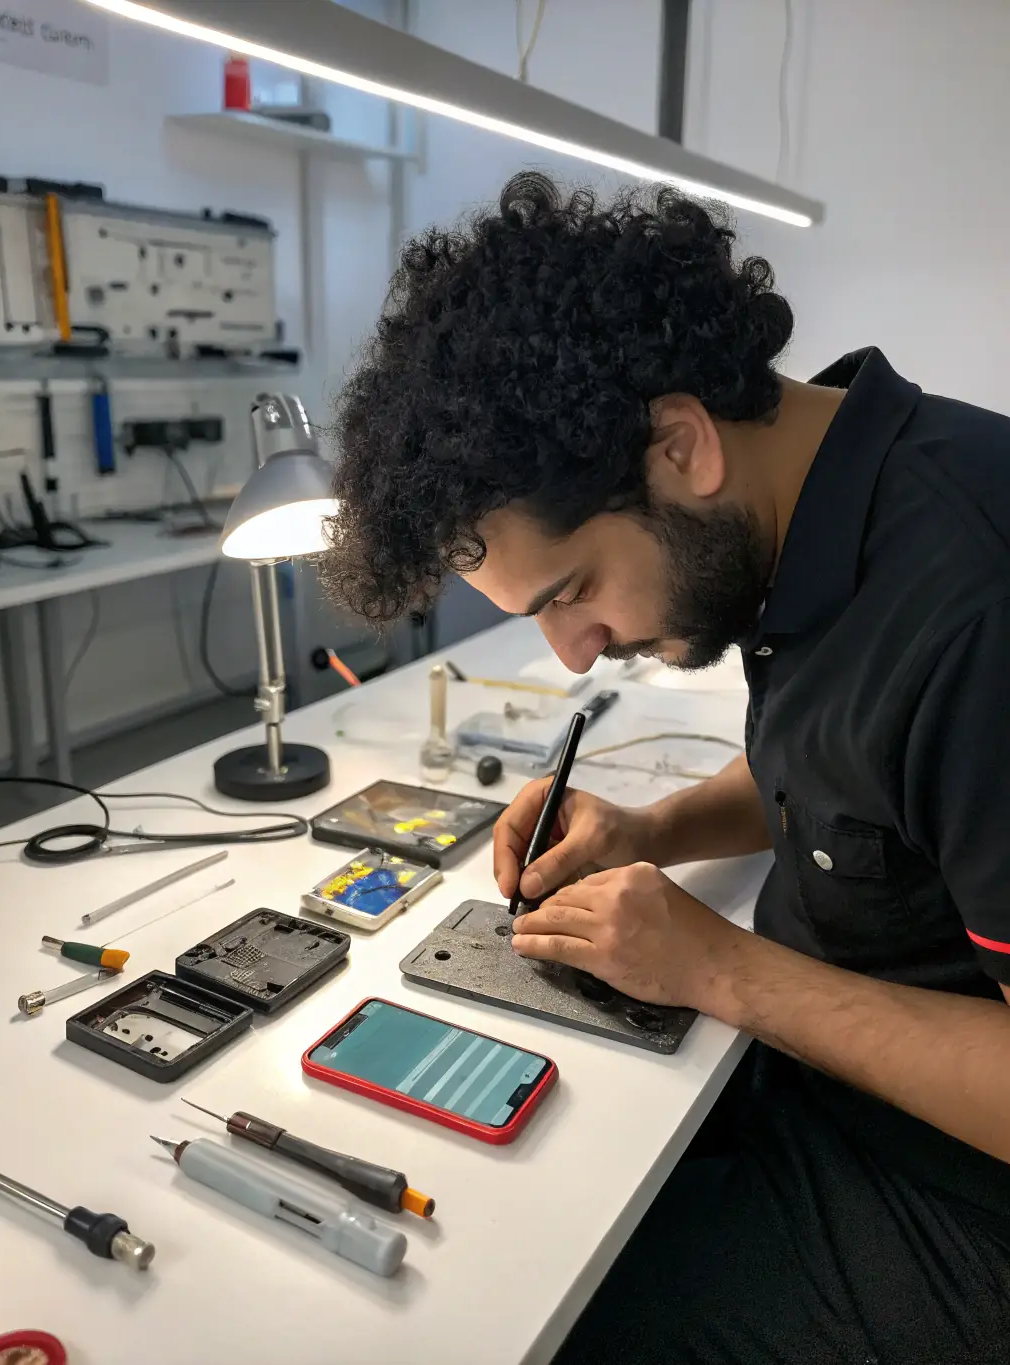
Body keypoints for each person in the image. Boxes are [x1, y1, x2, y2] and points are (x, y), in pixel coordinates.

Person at [317, 171, 1010, 1364]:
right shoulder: (821, 514)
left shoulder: (977, 609)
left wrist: (720, 970)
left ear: (680, 445)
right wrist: (652, 832)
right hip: (817, 1092)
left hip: (951, 1205)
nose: (574, 652)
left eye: (572, 591)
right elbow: (865, 783)